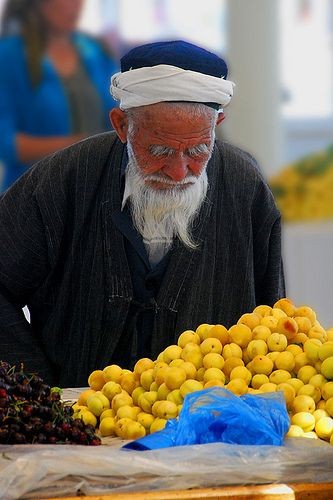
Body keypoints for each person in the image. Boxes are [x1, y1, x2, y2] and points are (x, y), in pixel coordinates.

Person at [0, 40, 285, 387]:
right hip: (78, 423)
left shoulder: (246, 188)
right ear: (122, 125)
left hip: (210, 424)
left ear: (217, 124)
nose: (180, 172)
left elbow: (272, 324)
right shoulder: (63, 180)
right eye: (160, 149)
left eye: (198, 149)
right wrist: (37, 386)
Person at [0, 0, 118, 192]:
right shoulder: (8, 56)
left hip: (94, 188)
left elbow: (118, 110)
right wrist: (81, 146)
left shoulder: (95, 51)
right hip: (30, 192)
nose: (77, 5)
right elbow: (5, 142)